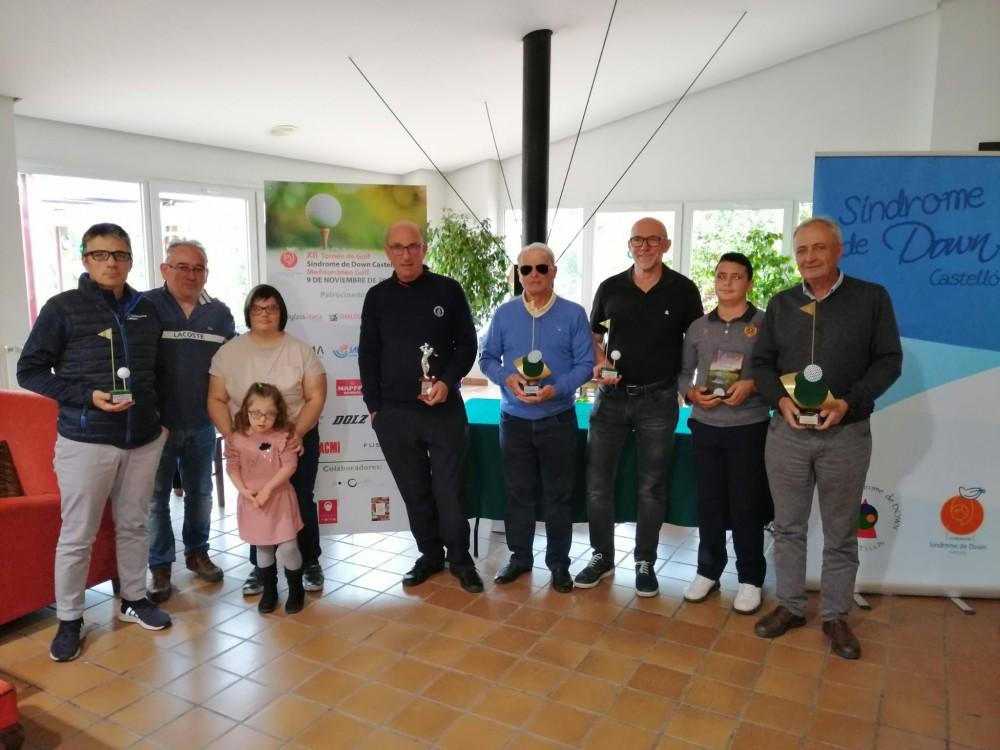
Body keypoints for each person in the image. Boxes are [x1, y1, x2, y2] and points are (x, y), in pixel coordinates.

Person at [17, 222, 171, 662]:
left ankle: (133, 599)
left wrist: (160, 421)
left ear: (130, 261)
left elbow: (157, 371)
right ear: (85, 259)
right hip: (86, 440)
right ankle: (70, 618)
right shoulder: (62, 308)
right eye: (101, 255)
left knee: (134, 525)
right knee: (77, 534)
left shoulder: (145, 309)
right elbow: (29, 371)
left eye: (120, 255)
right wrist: (88, 397)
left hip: (143, 440)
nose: (111, 263)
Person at [752, 217, 902, 660]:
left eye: (819, 248)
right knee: (788, 527)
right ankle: (791, 606)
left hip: (846, 434)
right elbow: (761, 364)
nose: (809, 257)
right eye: (802, 250)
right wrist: (781, 401)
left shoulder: (871, 298)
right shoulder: (781, 303)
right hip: (788, 434)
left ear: (838, 251)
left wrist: (849, 404)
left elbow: (888, 361)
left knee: (840, 532)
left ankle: (835, 616)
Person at [575, 217, 703, 597]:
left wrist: (689, 383)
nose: (644, 246)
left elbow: (697, 342)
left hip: (659, 401)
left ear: (665, 245)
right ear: (629, 245)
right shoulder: (610, 287)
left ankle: (645, 560)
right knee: (597, 485)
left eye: (652, 240)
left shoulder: (683, 289)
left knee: (652, 487)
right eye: (637, 240)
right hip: (610, 401)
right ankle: (601, 556)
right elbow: (593, 336)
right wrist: (600, 362)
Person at [358, 221, 483, 593]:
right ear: (388, 252)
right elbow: (368, 354)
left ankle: (460, 559)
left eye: (413, 246)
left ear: (424, 249)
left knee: (449, 491)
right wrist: (375, 408)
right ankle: (430, 555)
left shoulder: (449, 290)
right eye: (398, 247)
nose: (406, 254)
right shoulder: (377, 297)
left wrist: (447, 381)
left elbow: (467, 345)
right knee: (415, 491)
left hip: (443, 409)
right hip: (394, 415)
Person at [479, 243, 594, 593]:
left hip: (557, 418)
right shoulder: (504, 314)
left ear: (554, 271)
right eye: (526, 269)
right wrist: (507, 379)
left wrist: (557, 389)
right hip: (514, 420)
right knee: (518, 494)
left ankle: (558, 564)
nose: (533, 275)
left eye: (541, 268)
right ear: (519, 274)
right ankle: (520, 557)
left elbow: (586, 364)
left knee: (559, 496)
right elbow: (487, 358)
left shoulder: (573, 314)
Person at [207, 285, 328, 596]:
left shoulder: (300, 351)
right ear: (248, 312)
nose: (264, 313)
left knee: (300, 499)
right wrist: (230, 436)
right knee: (256, 500)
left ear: (281, 312)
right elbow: (216, 398)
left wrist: (297, 433)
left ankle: (309, 562)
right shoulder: (229, 352)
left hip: (294, 439)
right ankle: (261, 569)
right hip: (248, 444)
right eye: (257, 308)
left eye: (271, 307)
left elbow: (315, 396)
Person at [678, 252, 771, 614]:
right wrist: (691, 394)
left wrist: (752, 384)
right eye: (721, 276)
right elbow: (684, 374)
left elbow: (777, 370)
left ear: (749, 282)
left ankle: (750, 578)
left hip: (749, 427)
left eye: (736, 276)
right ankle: (708, 571)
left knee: (747, 504)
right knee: (710, 503)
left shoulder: (764, 324)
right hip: (705, 426)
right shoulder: (698, 327)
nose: (727, 282)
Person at [145, 239, 236, 602]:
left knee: (201, 493)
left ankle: (197, 553)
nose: (191, 275)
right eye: (182, 267)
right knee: (155, 499)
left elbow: (231, 366)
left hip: (202, 422)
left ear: (206, 274)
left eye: (198, 268)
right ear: (165, 270)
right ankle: (160, 565)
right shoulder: (144, 308)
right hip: (157, 425)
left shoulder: (220, 314)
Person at [226, 383, 304, 614]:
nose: (262, 419)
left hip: (279, 499)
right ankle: (270, 591)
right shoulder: (236, 438)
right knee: (263, 548)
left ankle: (296, 589)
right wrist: (243, 490)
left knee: (289, 547)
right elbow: (232, 467)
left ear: (278, 413)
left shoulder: (283, 437)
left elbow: (290, 465)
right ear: (246, 411)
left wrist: (268, 489)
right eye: (256, 413)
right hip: (253, 502)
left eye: (269, 414)